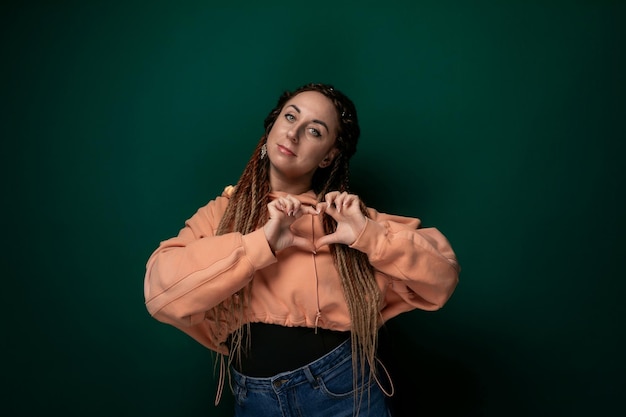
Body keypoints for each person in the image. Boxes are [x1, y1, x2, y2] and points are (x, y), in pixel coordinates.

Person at [144, 82, 460, 417]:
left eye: (314, 130)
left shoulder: (345, 218)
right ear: (272, 125)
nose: (293, 134)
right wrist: (261, 243)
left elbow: (442, 277)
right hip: (255, 400)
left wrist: (370, 237)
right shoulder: (220, 215)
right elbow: (160, 292)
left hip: (343, 393)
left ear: (329, 155)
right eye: (289, 117)